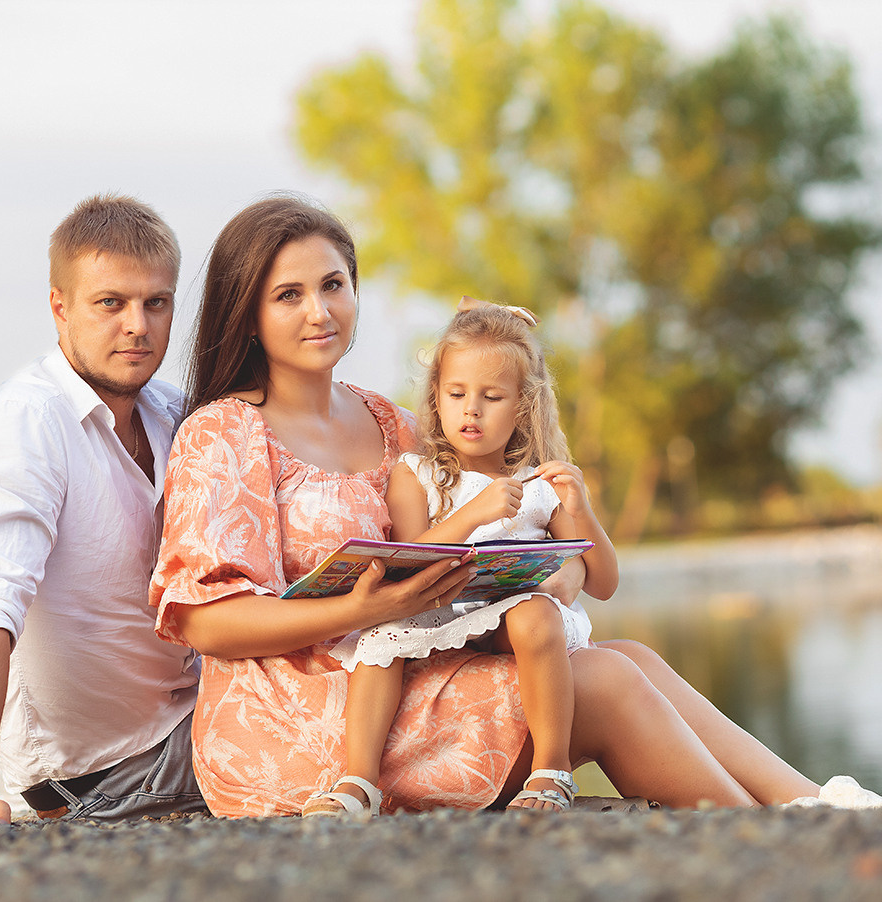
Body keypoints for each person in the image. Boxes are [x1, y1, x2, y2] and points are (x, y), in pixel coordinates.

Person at [148, 193, 880, 818]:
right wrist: (363, 611)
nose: (320, 310)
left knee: (631, 655)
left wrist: (548, 569)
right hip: (296, 714)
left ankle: (817, 801)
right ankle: (776, 837)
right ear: (248, 313)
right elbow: (207, 623)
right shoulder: (222, 432)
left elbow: (468, 537)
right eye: (289, 295)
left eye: (334, 285)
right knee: (607, 682)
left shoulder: (389, 421)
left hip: (410, 667)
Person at [0, 195, 206, 829]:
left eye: (156, 303)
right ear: (60, 307)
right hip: (99, 770)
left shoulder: (174, 412)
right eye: (110, 303)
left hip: (190, 723)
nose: (137, 326)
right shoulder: (24, 427)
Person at [303, 299, 619, 816]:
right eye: (457, 393)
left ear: (521, 407)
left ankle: (551, 771)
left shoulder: (536, 484)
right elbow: (413, 554)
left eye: (492, 396)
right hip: (442, 608)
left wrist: (581, 511)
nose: (471, 409)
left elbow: (605, 583)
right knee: (379, 638)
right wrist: (473, 513)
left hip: (514, 622)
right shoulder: (415, 474)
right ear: (436, 398)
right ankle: (358, 782)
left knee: (535, 611)